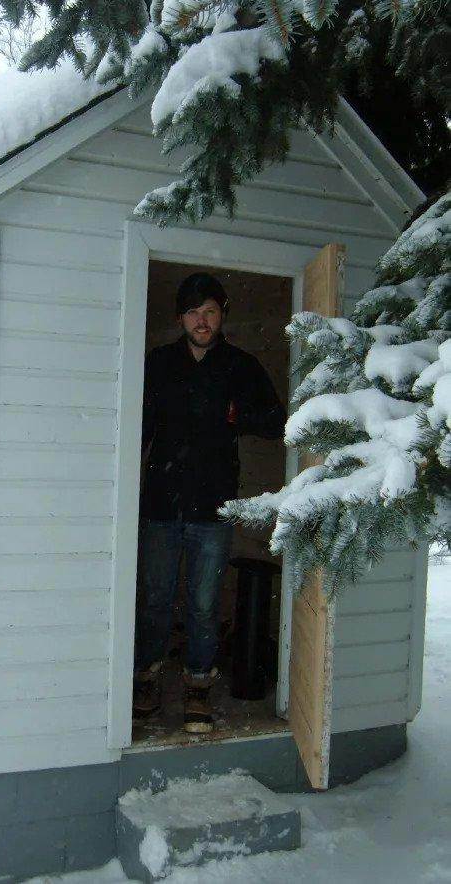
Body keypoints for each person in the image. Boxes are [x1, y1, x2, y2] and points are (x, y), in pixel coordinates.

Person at [134, 272, 286, 733]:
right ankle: (147, 677)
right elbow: (136, 428)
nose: (202, 321)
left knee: (204, 603)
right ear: (180, 317)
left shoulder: (239, 366)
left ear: (222, 316)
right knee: (156, 598)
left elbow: (277, 420)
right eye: (194, 312)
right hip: (160, 503)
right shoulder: (159, 363)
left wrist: (241, 414)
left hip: (214, 506)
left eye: (211, 312)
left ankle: (199, 684)